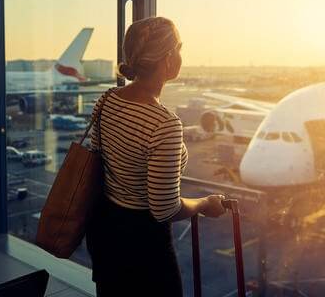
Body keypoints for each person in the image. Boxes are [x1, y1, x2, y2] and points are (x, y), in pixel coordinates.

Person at [86, 17, 226, 297]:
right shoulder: (164, 124)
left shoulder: (107, 99)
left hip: (105, 234)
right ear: (168, 58)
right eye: (180, 47)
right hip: (144, 249)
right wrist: (203, 204)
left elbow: (98, 158)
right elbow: (164, 209)